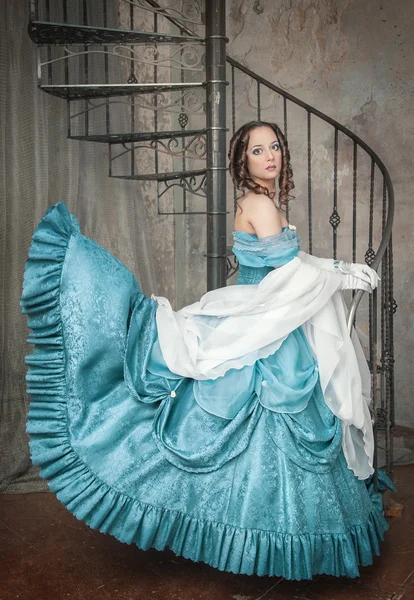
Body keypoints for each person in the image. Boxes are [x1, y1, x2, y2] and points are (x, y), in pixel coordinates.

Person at [21, 120, 394, 581]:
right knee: (279, 409)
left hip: (266, 313)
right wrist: (339, 273)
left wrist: (338, 266)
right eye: (258, 150)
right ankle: (278, 539)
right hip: (268, 320)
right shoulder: (261, 203)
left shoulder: (254, 201)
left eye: (275, 145)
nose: (271, 155)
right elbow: (291, 277)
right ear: (244, 161)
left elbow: (290, 266)